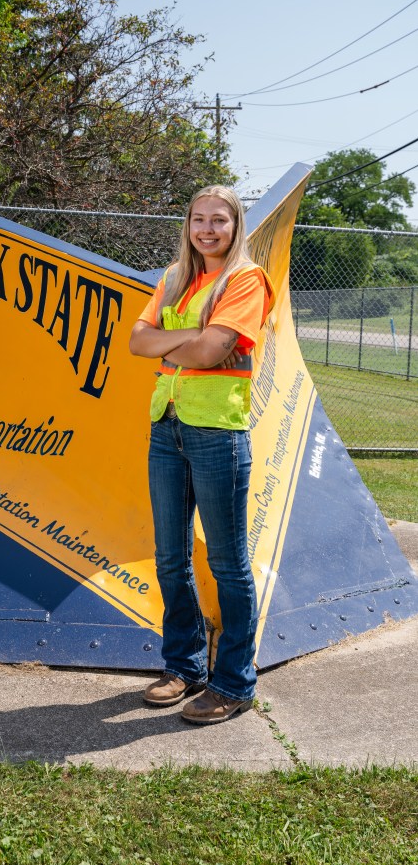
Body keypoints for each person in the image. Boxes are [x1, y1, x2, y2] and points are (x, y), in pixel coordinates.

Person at [129, 185, 274, 724]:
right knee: (170, 557)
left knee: (227, 563)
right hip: (166, 426)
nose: (208, 229)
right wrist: (191, 336)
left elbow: (215, 351)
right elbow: (136, 343)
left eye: (220, 220)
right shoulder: (174, 278)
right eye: (198, 219)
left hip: (217, 432)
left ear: (235, 227)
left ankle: (233, 683)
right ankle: (184, 667)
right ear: (187, 225)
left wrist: (172, 338)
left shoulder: (245, 280)